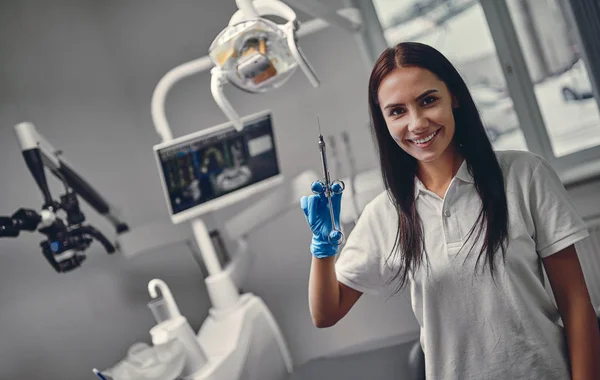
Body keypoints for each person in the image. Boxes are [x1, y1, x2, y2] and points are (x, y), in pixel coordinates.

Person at [300, 42, 600, 380]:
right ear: (383, 120)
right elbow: (325, 313)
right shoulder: (385, 214)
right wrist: (322, 248)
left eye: (428, 101)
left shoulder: (525, 174)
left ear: (453, 97)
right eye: (397, 111)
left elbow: (575, 303)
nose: (416, 124)